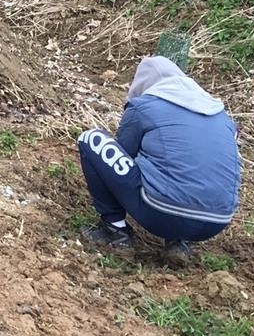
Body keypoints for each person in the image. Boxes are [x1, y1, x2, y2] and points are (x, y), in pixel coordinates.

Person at [77, 55, 241, 265]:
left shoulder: (143, 107)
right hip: (217, 221)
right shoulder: (223, 118)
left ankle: (114, 231)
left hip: (161, 212)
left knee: (91, 138)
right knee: (186, 169)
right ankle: (179, 241)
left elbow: (125, 154)